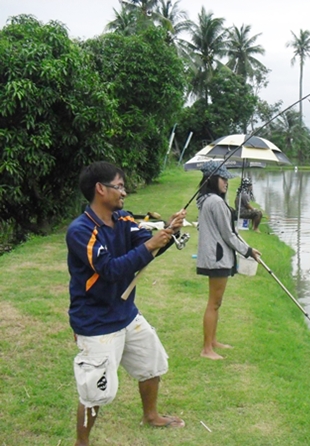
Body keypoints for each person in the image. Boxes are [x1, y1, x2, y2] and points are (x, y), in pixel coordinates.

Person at [66, 161, 186, 446]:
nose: (124, 192)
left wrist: (169, 232)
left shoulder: (123, 220)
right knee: (95, 391)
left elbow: (146, 244)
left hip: (126, 314)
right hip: (96, 322)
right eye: (119, 186)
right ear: (100, 189)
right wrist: (150, 245)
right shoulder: (81, 231)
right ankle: (81, 443)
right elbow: (110, 270)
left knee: (153, 363)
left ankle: (151, 416)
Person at [196, 161, 261, 360]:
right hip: (217, 258)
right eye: (222, 179)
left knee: (217, 303)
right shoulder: (215, 202)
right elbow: (229, 235)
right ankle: (207, 349)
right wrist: (248, 251)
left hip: (215, 256)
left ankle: (213, 341)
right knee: (213, 303)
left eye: (226, 179)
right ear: (212, 179)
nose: (226, 183)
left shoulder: (207, 199)